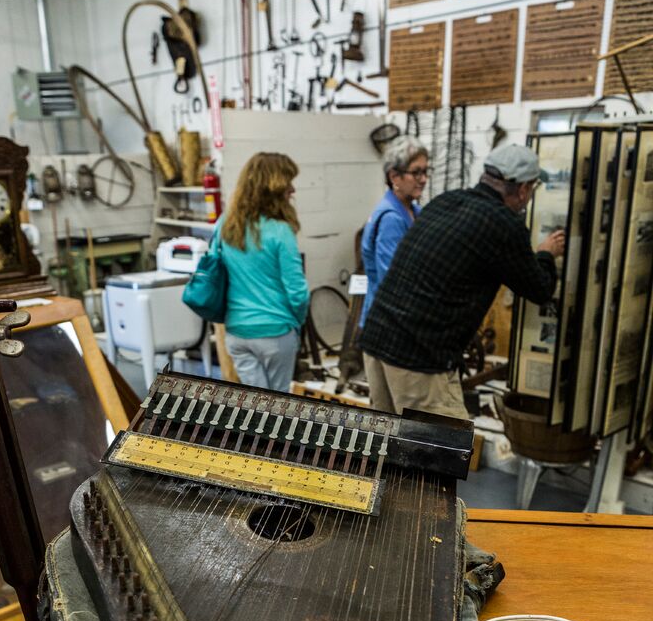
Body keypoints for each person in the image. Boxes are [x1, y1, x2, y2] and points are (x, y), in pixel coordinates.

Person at [359, 143, 566, 421]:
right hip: (417, 358)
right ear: (524, 189)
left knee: (384, 443)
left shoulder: (446, 200)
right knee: (437, 455)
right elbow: (539, 289)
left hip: (376, 339)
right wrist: (545, 254)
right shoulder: (504, 224)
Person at [218, 152, 309, 393]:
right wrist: (296, 323)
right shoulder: (280, 232)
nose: (293, 190)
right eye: (288, 182)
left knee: (255, 408)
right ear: (274, 188)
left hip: (237, 334)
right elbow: (298, 293)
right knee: (278, 409)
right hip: (275, 334)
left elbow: (215, 270)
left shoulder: (225, 224)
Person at [359, 136, 429, 328]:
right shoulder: (391, 219)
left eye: (425, 172)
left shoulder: (415, 212)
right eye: (416, 173)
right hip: (387, 325)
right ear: (394, 177)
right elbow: (392, 281)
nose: (423, 179)